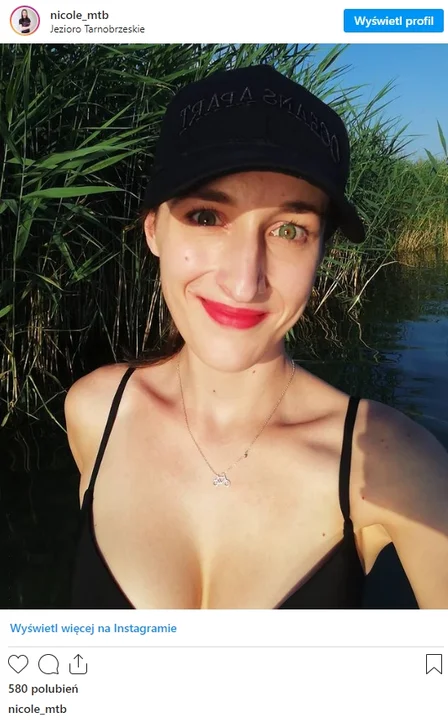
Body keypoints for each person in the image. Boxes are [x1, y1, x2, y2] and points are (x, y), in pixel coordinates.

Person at [66, 64, 448, 609]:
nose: (245, 282)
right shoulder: (97, 412)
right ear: (153, 229)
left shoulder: (392, 463)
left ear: (322, 252)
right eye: (206, 216)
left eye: (290, 230)